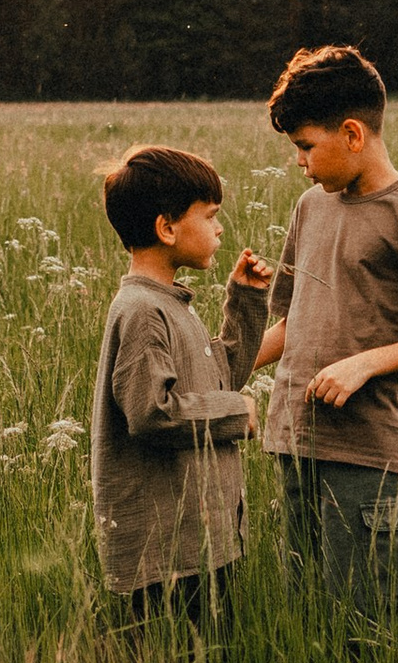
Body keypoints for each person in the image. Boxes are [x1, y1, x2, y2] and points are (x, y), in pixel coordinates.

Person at [239, 44, 398, 650]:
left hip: (370, 454)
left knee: (382, 622)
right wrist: (223, 370)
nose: (299, 163)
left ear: (351, 134)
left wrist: (364, 364)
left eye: (305, 146)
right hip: (295, 439)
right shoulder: (309, 208)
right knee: (310, 617)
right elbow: (289, 324)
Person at [88, 142, 271, 636]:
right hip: (166, 552)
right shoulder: (142, 311)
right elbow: (152, 412)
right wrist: (238, 412)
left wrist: (246, 302)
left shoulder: (170, 304)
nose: (219, 229)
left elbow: (218, 379)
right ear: (166, 228)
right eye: (209, 217)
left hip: (197, 543)